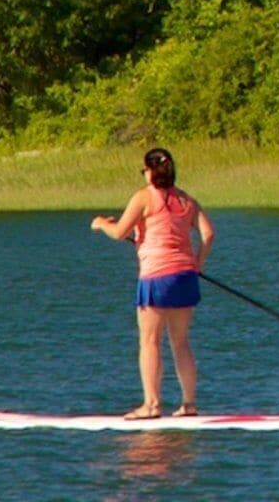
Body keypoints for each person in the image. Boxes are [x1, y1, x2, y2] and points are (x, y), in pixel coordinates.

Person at [91, 146, 218, 418]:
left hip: (156, 276)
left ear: (150, 171)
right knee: (181, 341)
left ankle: (151, 405)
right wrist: (197, 265)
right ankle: (189, 404)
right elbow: (208, 235)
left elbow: (119, 232)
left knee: (149, 341)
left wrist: (102, 223)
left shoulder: (143, 198)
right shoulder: (187, 201)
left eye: (144, 170)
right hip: (185, 277)